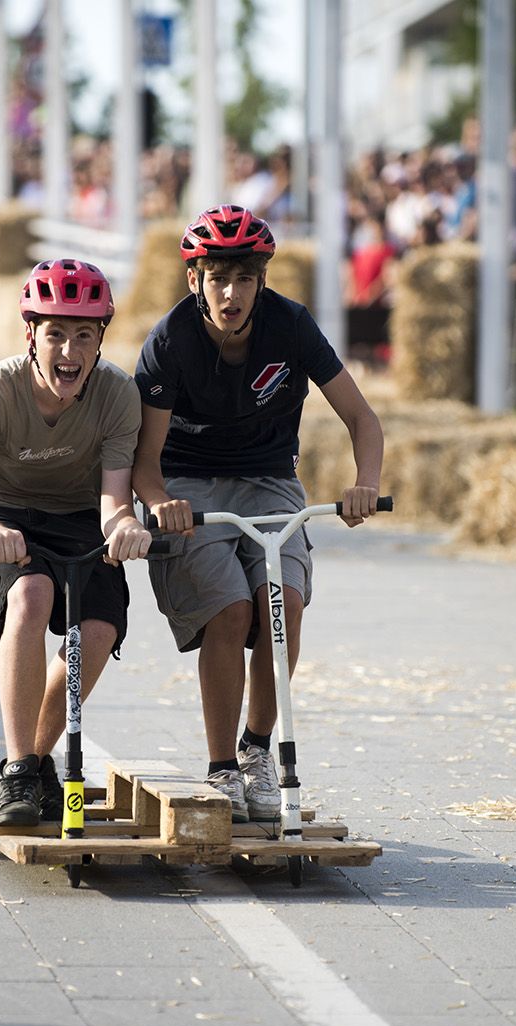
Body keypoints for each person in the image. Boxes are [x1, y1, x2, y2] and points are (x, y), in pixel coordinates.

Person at [132, 204, 384, 821]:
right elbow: (143, 460)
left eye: (244, 278)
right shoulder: (171, 341)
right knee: (231, 609)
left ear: (262, 281)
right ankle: (221, 770)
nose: (232, 292)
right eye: (217, 277)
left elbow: (363, 419)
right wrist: (162, 502)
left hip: (269, 479)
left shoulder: (291, 326)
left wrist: (365, 484)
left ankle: (256, 752)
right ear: (195, 281)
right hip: (188, 484)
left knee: (283, 603)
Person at [0, 259, 153, 826]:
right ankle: (18, 769)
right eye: (55, 333)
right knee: (31, 596)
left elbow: (111, 501)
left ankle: (32, 764)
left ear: (102, 338)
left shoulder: (118, 395)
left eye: (84, 334)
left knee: (100, 628)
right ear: (31, 335)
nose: (69, 351)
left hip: (80, 515)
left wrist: (125, 526)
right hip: (1, 514)